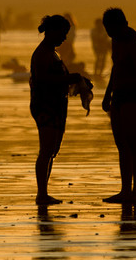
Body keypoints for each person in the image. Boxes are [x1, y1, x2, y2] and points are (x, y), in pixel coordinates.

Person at [30, 15, 86, 205]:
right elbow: (44, 79)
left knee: (52, 151)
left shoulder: (53, 53)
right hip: (45, 106)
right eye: (63, 34)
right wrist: (71, 79)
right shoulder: (42, 53)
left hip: (56, 105)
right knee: (46, 150)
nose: (64, 38)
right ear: (52, 31)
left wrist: (79, 82)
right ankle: (41, 194)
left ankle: (44, 192)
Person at [101, 8, 136, 204]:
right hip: (119, 97)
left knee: (134, 143)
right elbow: (115, 68)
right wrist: (107, 94)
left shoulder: (134, 42)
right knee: (121, 144)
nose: (107, 33)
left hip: (134, 97)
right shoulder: (116, 39)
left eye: (109, 28)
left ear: (120, 24)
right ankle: (125, 191)